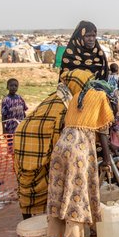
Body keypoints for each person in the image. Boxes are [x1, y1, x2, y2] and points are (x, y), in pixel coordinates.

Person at [46, 79, 116, 237]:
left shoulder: (78, 96)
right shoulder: (102, 97)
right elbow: (103, 133)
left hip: (61, 147)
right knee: (76, 200)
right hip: (79, 150)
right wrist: (108, 160)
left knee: (57, 197)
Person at [13, 69, 94, 219]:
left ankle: (41, 223)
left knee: (33, 183)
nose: (87, 89)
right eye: (85, 85)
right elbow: (60, 134)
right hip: (32, 142)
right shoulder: (63, 105)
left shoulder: (62, 97)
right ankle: (42, 226)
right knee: (37, 182)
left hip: (26, 138)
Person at [0, 78, 28, 149]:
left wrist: (26, 124)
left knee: (20, 145)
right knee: (11, 147)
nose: (13, 87)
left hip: (20, 127)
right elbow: (3, 116)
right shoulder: (5, 100)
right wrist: (4, 129)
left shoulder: (20, 98)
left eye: (16, 86)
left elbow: (24, 112)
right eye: (11, 85)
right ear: (7, 87)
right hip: (10, 128)